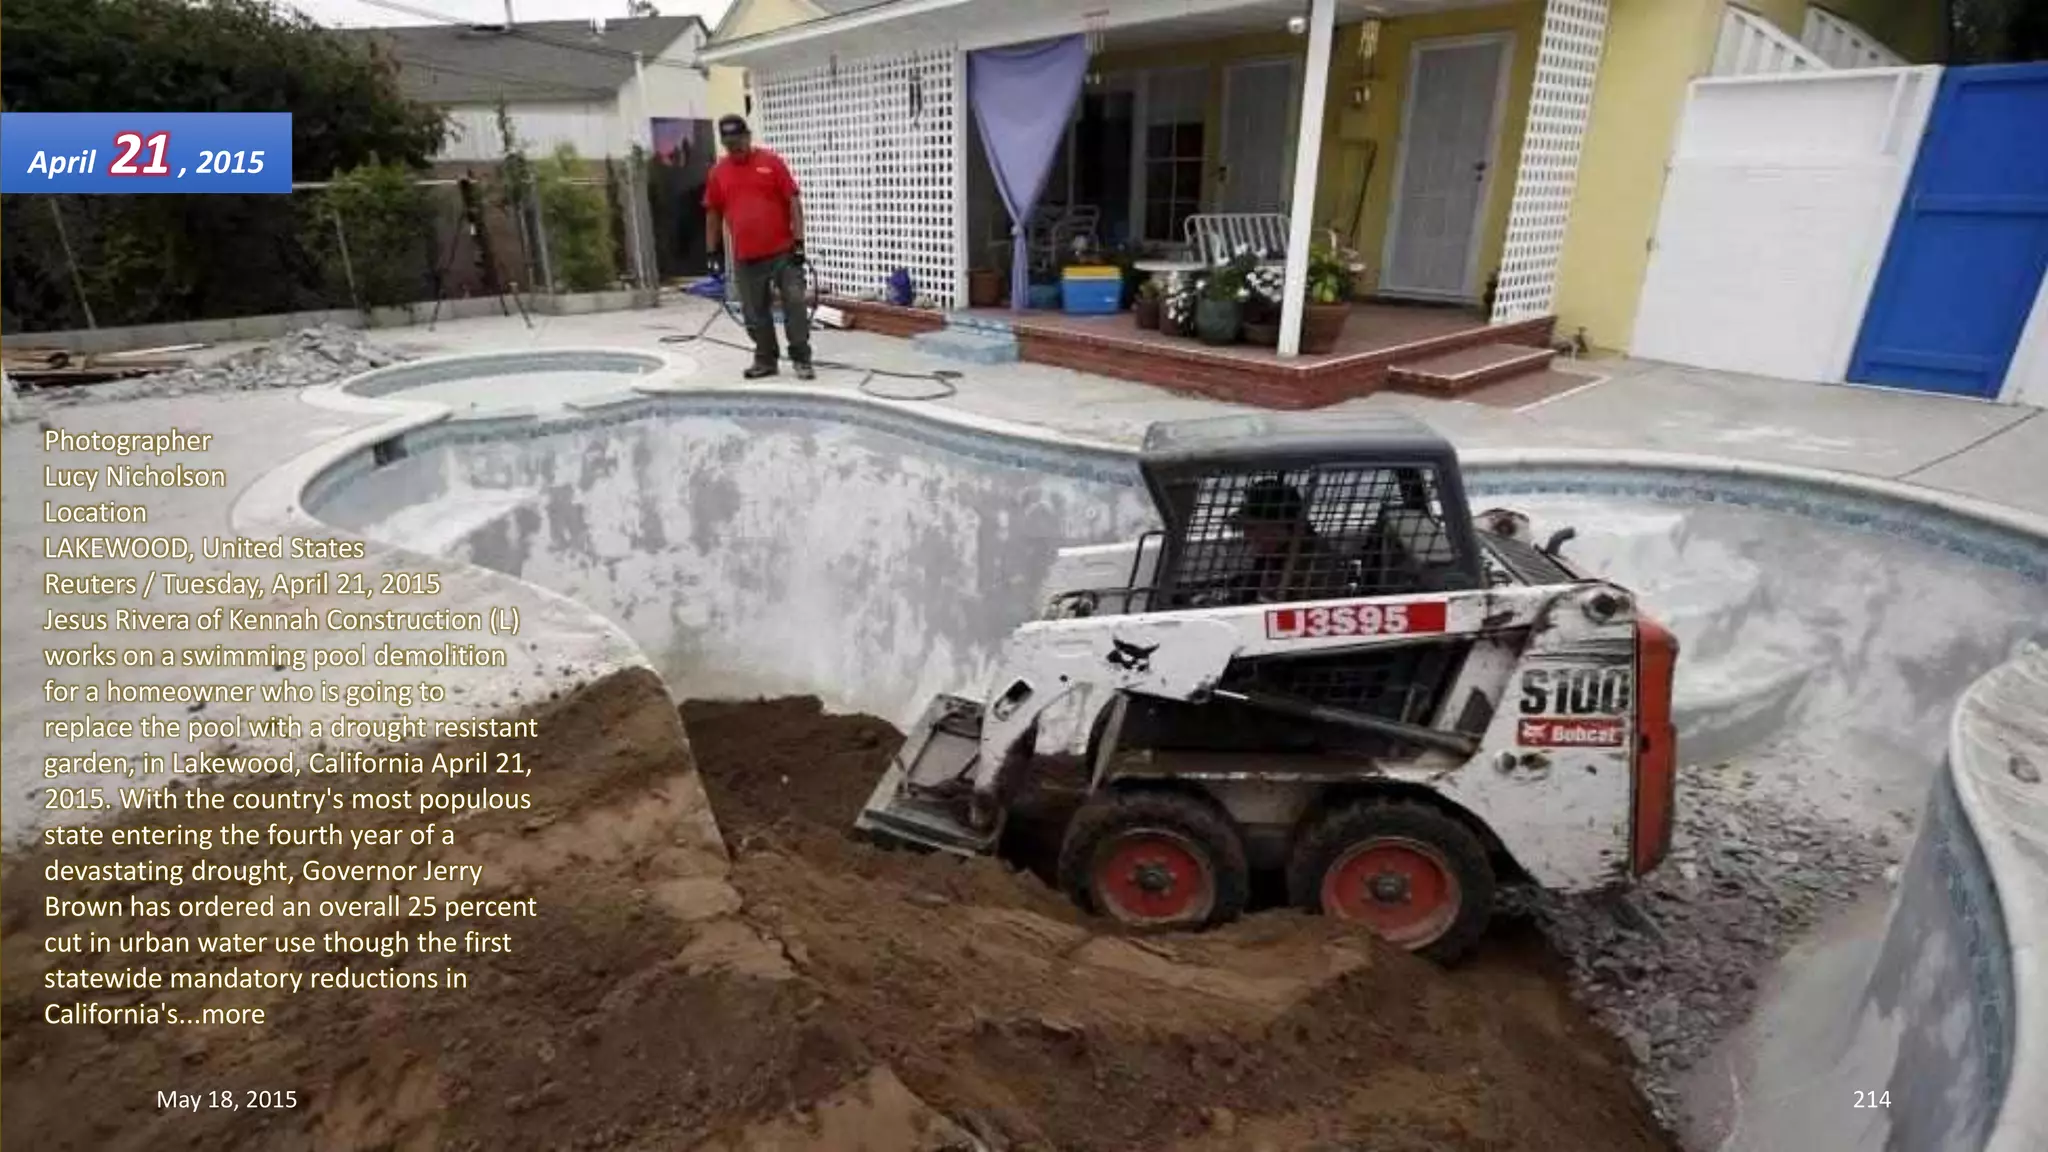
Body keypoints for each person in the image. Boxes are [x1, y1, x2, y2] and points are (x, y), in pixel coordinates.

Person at [703, 114, 812, 380]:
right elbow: (713, 213)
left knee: (795, 302)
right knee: (753, 312)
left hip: (783, 252)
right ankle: (766, 360)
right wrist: (712, 252)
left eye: (738, 141)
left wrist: (799, 243)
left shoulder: (771, 163)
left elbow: (793, 202)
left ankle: (801, 358)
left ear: (748, 137)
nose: (735, 148)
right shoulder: (719, 172)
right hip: (746, 256)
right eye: (729, 144)